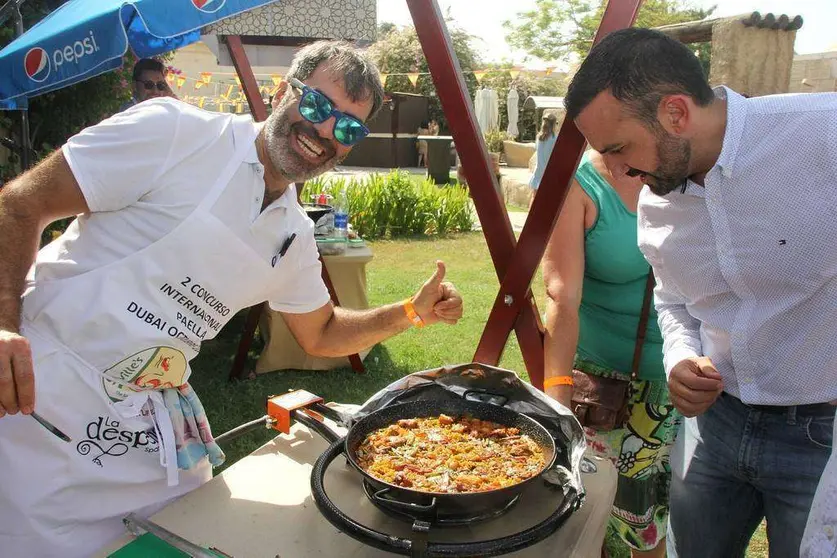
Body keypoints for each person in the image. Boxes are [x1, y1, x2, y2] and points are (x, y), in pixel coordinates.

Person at [0, 40, 463, 557]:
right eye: (317, 106)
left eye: (349, 128)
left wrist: (408, 313)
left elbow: (323, 332)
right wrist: (4, 325)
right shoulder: (175, 132)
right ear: (284, 91)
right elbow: (22, 203)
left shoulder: (292, 234)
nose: (327, 132)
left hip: (143, 425)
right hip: (39, 393)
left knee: (187, 535)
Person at [563, 27, 837, 557]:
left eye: (619, 149)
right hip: (715, 425)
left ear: (676, 113)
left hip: (821, 434)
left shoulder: (821, 137)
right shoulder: (656, 197)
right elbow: (672, 298)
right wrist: (682, 355)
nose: (618, 170)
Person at [542, 149, 679, 557]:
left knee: (650, 521)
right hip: (599, 383)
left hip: (678, 378)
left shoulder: (687, 168)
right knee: (581, 517)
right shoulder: (583, 183)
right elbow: (561, 298)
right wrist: (557, 399)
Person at [528, 113, 558, 207]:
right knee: (547, 202)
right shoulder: (555, 139)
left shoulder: (539, 138)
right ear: (553, 124)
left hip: (538, 171)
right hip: (549, 174)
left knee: (534, 198)